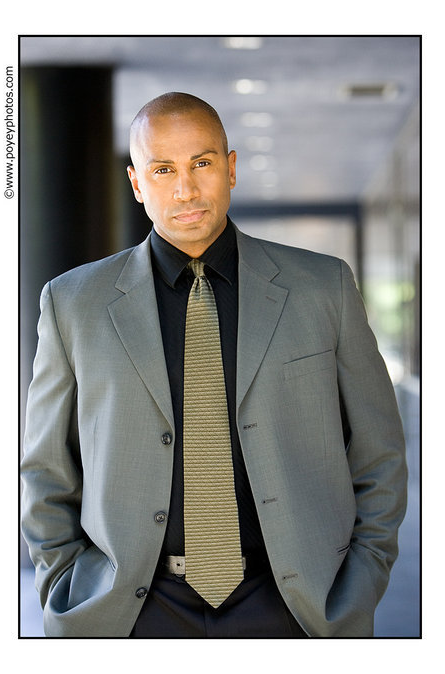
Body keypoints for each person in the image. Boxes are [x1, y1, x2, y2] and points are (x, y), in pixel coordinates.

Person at [21, 91, 407, 638]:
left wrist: (359, 583)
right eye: (162, 169)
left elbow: (379, 452)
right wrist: (64, 582)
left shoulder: (324, 287)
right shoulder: (72, 303)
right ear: (137, 183)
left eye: (201, 163)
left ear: (230, 169)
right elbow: (46, 469)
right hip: (131, 613)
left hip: (295, 607)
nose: (185, 189)